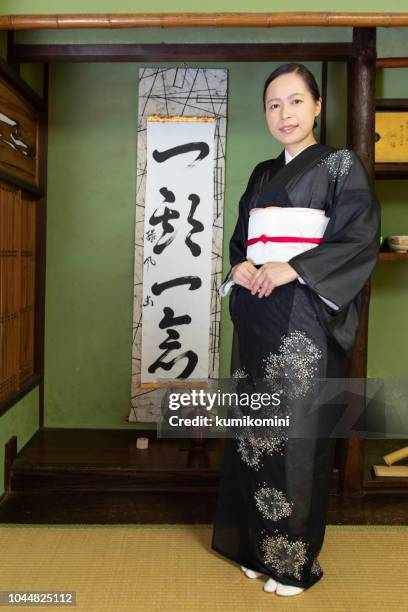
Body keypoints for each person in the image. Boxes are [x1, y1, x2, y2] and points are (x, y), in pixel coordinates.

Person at [211, 63, 381, 597]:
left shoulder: (339, 166)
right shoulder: (263, 174)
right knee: (254, 437)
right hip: (258, 312)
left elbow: (359, 238)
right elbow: (244, 239)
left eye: (295, 102)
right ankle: (257, 547)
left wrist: (296, 268)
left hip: (304, 315)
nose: (284, 114)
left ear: (317, 107)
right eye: (273, 105)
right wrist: (239, 266)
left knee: (297, 436)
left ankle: (293, 560)